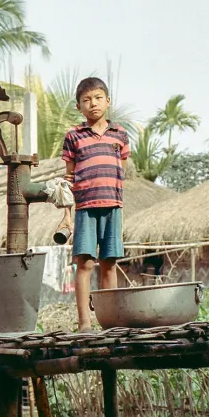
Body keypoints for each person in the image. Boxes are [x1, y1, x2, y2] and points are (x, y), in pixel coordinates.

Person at [61, 76, 130, 330]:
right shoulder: (73, 136)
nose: (93, 104)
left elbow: (121, 172)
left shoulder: (120, 135)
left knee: (109, 263)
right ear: (78, 106)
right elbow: (68, 177)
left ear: (108, 101)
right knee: (85, 263)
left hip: (113, 204)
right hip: (85, 207)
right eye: (86, 100)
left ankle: (109, 322)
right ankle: (84, 323)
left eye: (98, 98)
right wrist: (66, 213)